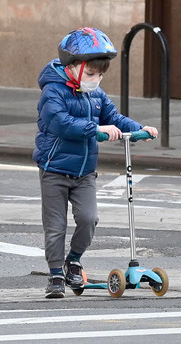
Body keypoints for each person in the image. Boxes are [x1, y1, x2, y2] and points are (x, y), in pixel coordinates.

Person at [33, 27, 159, 299]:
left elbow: (113, 117)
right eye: (91, 74)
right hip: (54, 170)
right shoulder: (53, 92)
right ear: (72, 67)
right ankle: (55, 274)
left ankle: (73, 260)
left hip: (84, 173)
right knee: (55, 227)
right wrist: (96, 130)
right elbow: (61, 123)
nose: (96, 79)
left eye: (100, 75)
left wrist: (139, 129)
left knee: (89, 219)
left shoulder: (95, 95)